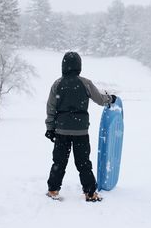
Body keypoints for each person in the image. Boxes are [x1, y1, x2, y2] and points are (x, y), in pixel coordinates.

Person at [44, 51, 116, 202]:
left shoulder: (57, 84)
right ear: (79, 66)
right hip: (80, 131)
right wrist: (111, 98)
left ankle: (52, 190)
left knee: (59, 162)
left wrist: (50, 128)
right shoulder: (85, 83)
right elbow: (100, 100)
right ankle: (90, 193)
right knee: (83, 163)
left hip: (61, 130)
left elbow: (51, 107)